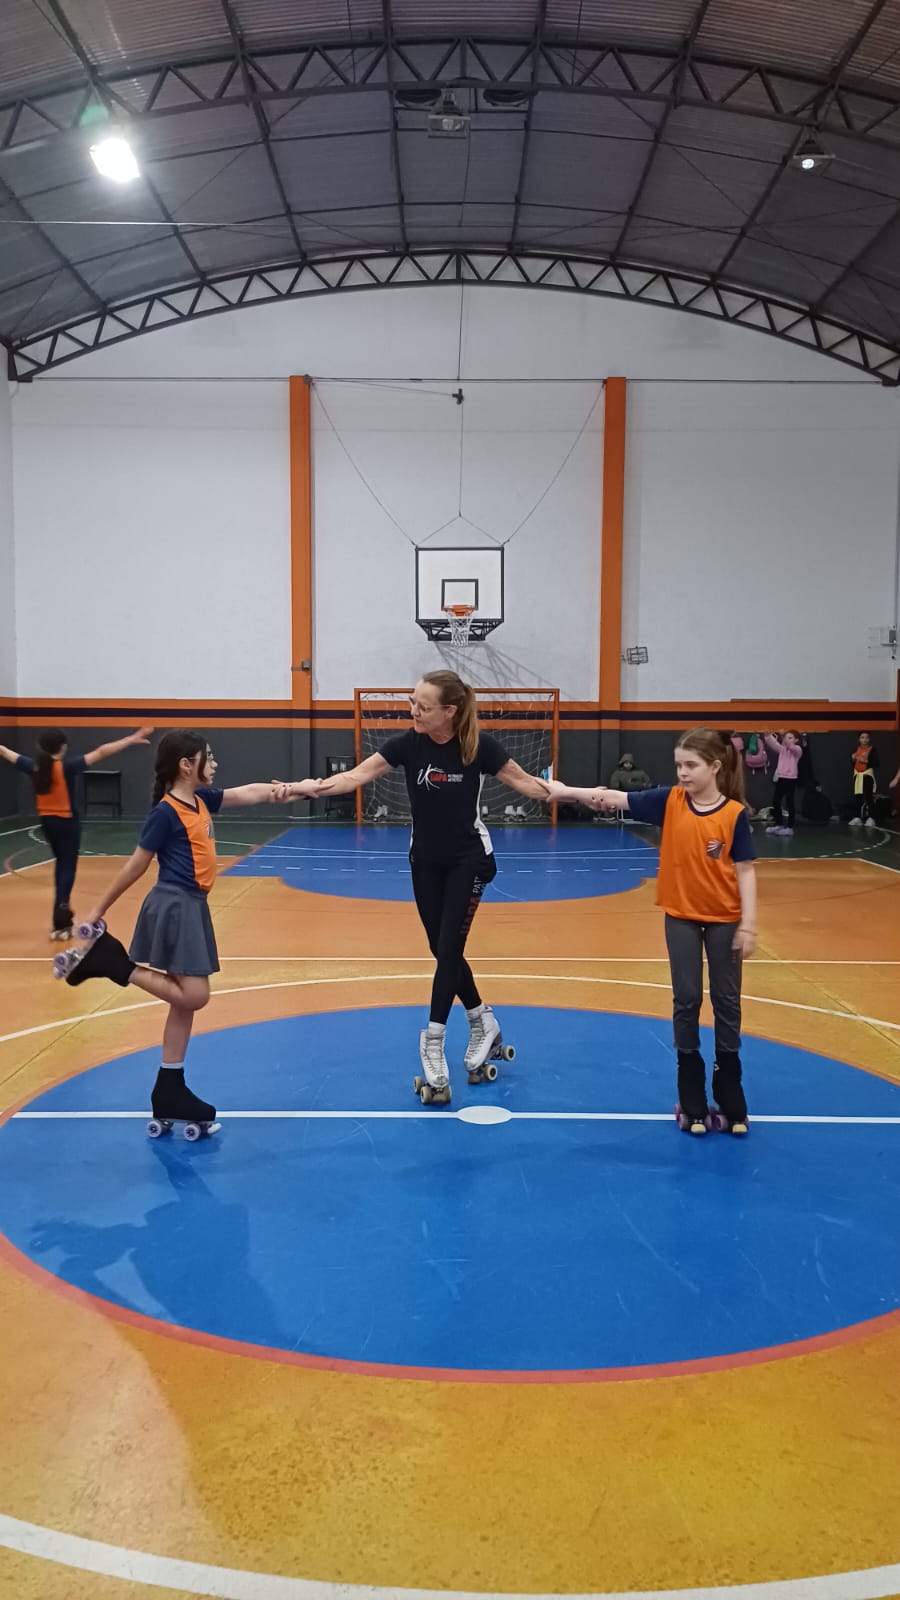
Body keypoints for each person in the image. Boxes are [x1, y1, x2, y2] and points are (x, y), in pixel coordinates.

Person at [282, 671, 552, 1103]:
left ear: (450, 712)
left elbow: (529, 785)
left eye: (423, 707)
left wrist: (581, 794)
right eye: (413, 702)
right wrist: (307, 788)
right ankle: (483, 1020)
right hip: (425, 861)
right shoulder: (407, 745)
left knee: (448, 948)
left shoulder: (479, 747)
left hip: (470, 860)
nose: (413, 712)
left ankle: (433, 1041)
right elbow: (355, 777)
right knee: (441, 948)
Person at [56, 731, 310, 1132]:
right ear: (186, 766)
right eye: (208, 757)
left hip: (191, 905)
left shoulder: (201, 799)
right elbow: (136, 865)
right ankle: (113, 964)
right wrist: (98, 910)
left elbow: (248, 793)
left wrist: (292, 789)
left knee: (183, 1004)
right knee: (194, 995)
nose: (215, 763)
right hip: (174, 906)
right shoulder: (166, 812)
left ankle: (169, 1087)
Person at [547, 727, 757, 1136]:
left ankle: (729, 1088)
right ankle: (691, 1091)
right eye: (679, 765)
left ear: (715, 767)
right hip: (680, 915)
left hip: (725, 919)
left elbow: (745, 871)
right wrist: (565, 791)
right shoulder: (670, 801)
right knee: (687, 998)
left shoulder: (734, 814)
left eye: (691, 765)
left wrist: (748, 924)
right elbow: (613, 798)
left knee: (727, 1001)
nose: (683, 773)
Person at [0, 725, 153, 939]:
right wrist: (130, 739)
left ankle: (60, 918)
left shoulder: (34, 766)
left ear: (41, 747)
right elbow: (102, 751)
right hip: (67, 823)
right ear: (63, 747)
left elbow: (6, 752)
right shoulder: (66, 767)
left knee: (61, 866)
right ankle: (62, 916)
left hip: (47, 823)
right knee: (67, 868)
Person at [763, 730, 803, 836]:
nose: (787, 740)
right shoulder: (782, 749)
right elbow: (773, 744)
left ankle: (790, 827)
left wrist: (783, 738)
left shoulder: (798, 750)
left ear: (796, 740)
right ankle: (779, 824)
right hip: (781, 777)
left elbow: (791, 747)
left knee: (790, 802)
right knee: (776, 801)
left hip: (791, 778)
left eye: (790, 738)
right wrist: (768, 736)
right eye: (786, 737)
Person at [849, 733, 879, 828]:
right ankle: (857, 817)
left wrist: (865, 761)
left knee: (869, 796)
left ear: (869, 739)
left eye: (866, 738)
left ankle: (871, 818)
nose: (864, 740)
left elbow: (876, 763)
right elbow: (853, 763)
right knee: (857, 796)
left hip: (867, 774)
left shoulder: (872, 750)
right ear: (859, 739)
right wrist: (853, 759)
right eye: (862, 737)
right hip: (858, 774)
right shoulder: (856, 749)